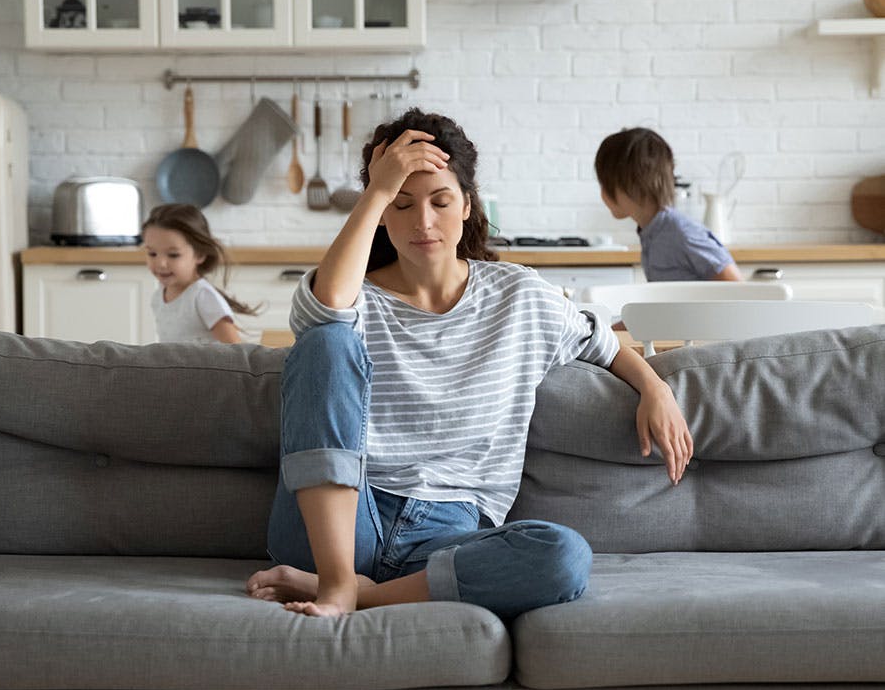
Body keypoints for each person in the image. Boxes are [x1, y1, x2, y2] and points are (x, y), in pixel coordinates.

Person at [247, 109, 693, 620]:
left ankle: (354, 592)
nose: (423, 222)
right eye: (401, 202)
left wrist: (656, 389)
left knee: (564, 556)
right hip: (340, 518)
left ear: (466, 206)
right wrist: (375, 188)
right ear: (381, 212)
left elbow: (607, 347)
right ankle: (336, 576)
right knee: (325, 341)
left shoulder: (519, 296)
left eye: (440, 201)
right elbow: (324, 311)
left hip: (448, 534)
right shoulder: (353, 297)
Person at [595, 127, 742, 282]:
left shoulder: (683, 234)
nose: (602, 193)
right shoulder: (651, 231)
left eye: (605, 184)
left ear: (634, 184)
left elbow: (738, 289)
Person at [142, 203, 259, 344]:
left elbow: (236, 350)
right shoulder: (158, 296)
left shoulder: (203, 296)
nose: (160, 263)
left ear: (200, 254)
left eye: (173, 255)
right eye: (152, 253)